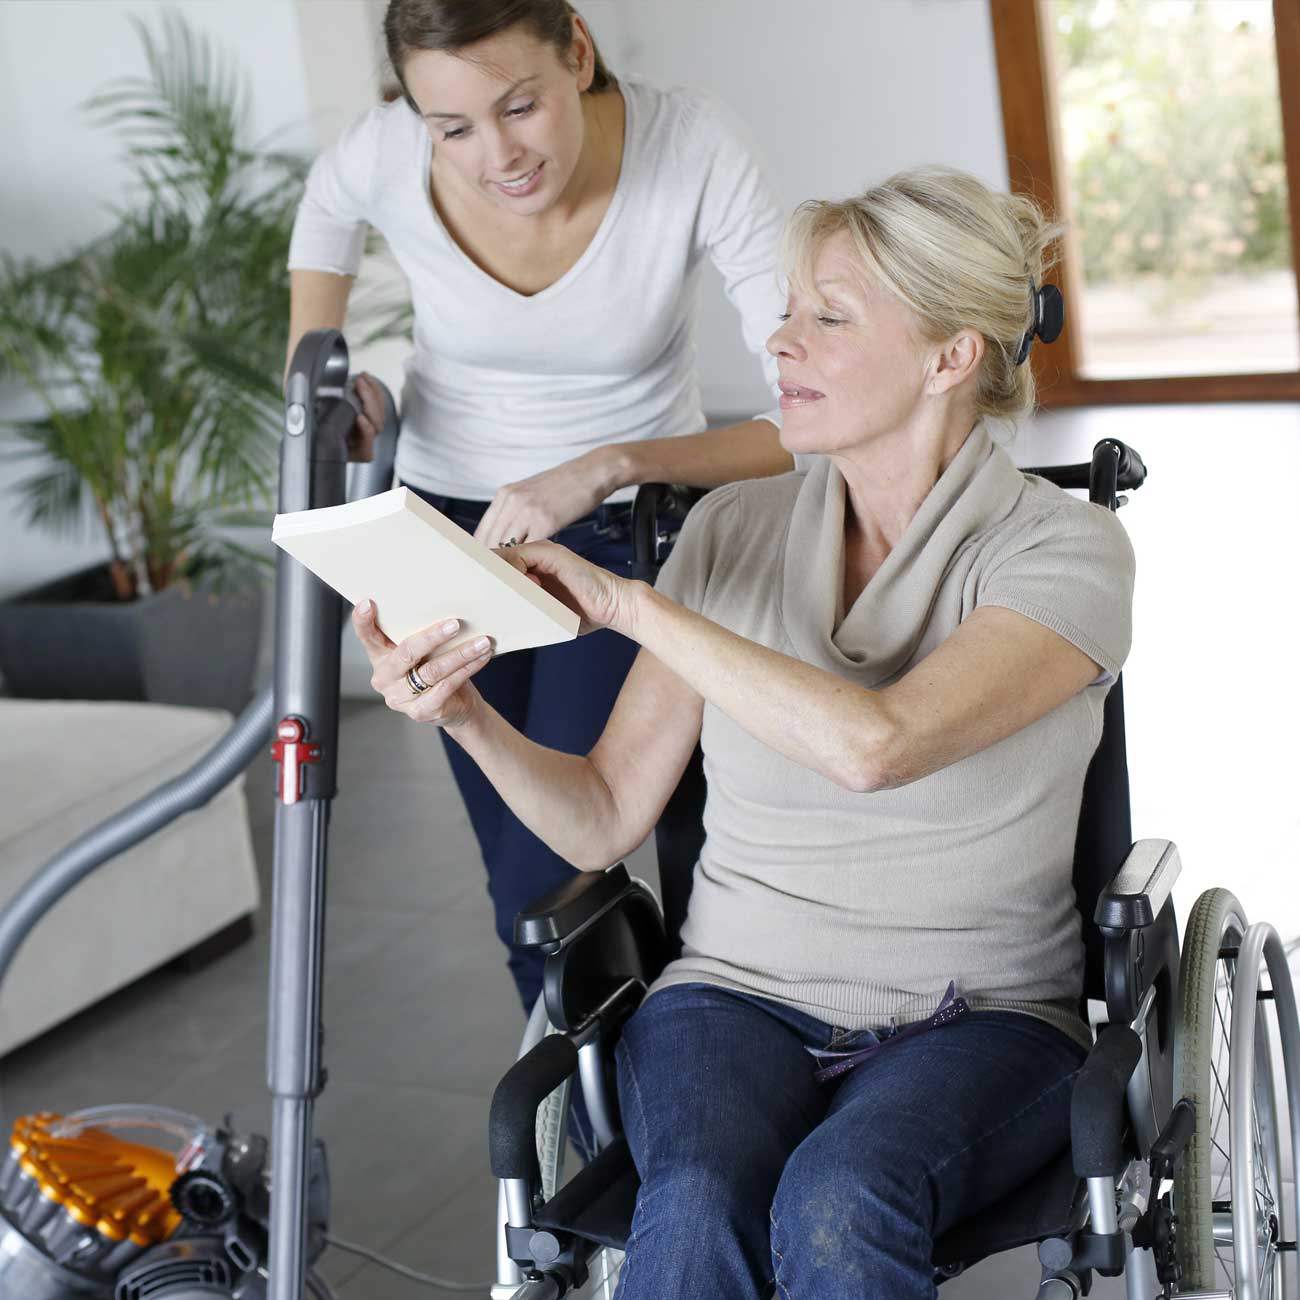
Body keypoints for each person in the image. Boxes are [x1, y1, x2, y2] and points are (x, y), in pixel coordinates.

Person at [352, 165, 1136, 1299]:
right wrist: (461, 710)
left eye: (828, 317)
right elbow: (602, 814)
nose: (780, 345)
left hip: (984, 1016)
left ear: (949, 355)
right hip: (730, 997)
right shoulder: (730, 531)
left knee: (839, 1196)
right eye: (783, 311)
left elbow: (878, 745)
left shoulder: (1064, 551)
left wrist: (632, 605)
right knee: (695, 1199)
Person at [286, 0, 794, 1018]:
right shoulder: (386, 151)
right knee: (519, 889)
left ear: (578, 49)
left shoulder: (689, 143)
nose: (496, 156)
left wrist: (606, 463)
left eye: (519, 107)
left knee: (566, 863)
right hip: (441, 527)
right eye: (452, 128)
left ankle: (688, 1073)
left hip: (622, 530)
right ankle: (579, 1135)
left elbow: (808, 416)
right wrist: (322, 378)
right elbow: (326, 213)